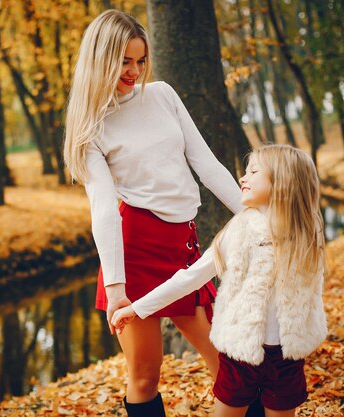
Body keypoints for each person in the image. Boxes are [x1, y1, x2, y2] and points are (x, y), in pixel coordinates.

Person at [63, 9, 265, 417]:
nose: (135, 70)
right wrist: (117, 287)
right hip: (134, 250)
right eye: (124, 61)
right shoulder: (91, 129)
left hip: (184, 245)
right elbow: (103, 209)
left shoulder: (163, 95)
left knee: (228, 360)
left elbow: (206, 163)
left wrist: (255, 214)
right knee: (144, 375)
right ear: (101, 58)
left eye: (140, 60)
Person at [112, 144, 328, 417]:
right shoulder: (237, 232)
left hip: (287, 357)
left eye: (254, 172)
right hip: (239, 356)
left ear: (282, 183)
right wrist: (137, 308)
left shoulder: (308, 233)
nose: (243, 178)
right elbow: (188, 279)